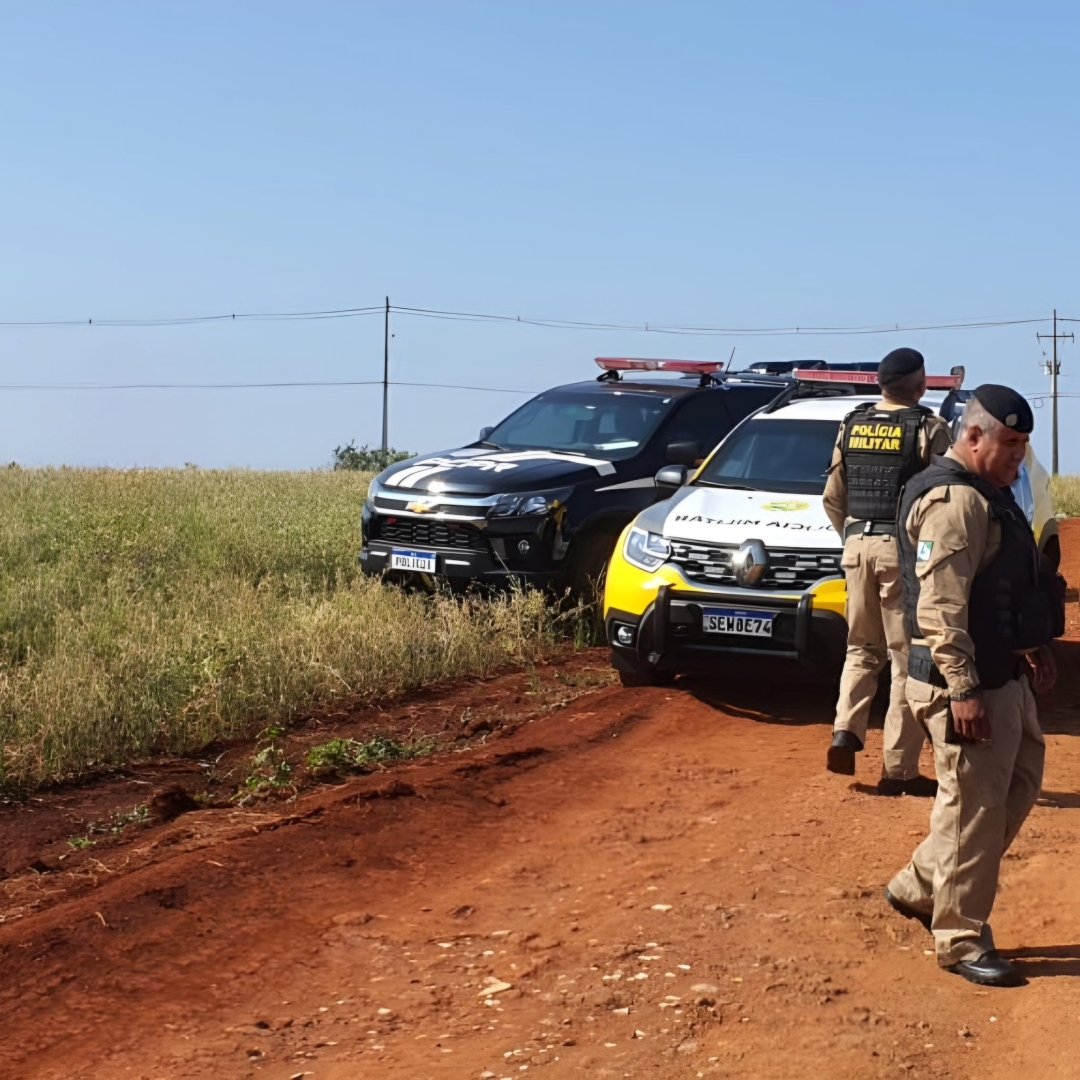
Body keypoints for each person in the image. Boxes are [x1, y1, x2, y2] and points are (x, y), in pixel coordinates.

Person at [884, 385, 1062, 987]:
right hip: (965, 681)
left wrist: (1030, 646)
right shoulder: (955, 502)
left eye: (1023, 445)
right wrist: (961, 688)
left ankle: (920, 884)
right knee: (976, 809)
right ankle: (959, 937)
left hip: (999, 673)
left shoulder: (990, 494)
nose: (1018, 455)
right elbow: (940, 606)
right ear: (974, 435)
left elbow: (997, 589)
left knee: (1019, 779)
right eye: (1009, 443)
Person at [823, 348, 953, 794]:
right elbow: (941, 499)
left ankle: (845, 730)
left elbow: (832, 497)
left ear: (880, 384)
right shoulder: (929, 428)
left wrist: (855, 539)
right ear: (920, 386)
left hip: (855, 546)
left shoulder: (851, 424)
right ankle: (898, 771)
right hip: (902, 553)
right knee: (905, 659)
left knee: (859, 647)